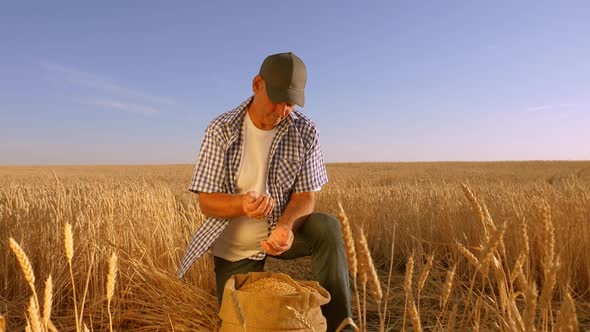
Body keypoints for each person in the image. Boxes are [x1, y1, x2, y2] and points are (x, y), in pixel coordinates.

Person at [178, 52, 353, 331]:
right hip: (236, 248)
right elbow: (207, 202)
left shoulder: (306, 131)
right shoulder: (220, 129)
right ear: (257, 84)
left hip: (281, 234)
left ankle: (341, 324)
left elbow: (306, 195)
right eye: (276, 100)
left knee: (327, 227)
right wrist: (241, 206)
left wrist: (286, 225)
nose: (282, 111)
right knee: (239, 324)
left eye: (291, 104)